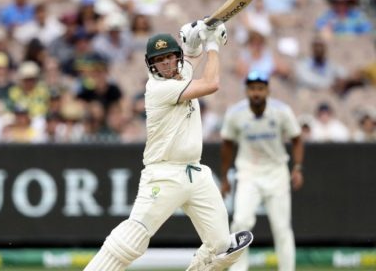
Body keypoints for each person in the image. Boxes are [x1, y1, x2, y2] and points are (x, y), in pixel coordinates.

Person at [84, 20, 253, 271]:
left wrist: (193, 41)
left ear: (177, 58)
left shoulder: (179, 74)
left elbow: (190, 61)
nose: (165, 64)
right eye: (159, 60)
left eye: (170, 57)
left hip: (196, 174)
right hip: (163, 174)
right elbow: (211, 83)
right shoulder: (157, 89)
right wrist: (213, 44)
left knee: (222, 248)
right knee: (132, 239)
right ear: (151, 64)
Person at [220, 71, 305, 271]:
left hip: (276, 172)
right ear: (246, 91)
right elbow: (226, 143)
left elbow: (297, 138)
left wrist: (298, 167)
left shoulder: (282, 111)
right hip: (248, 172)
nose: (256, 93)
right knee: (240, 222)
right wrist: (224, 178)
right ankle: (237, 269)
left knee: (282, 228)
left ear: (267, 90)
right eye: (252, 89)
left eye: (260, 88)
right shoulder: (235, 113)